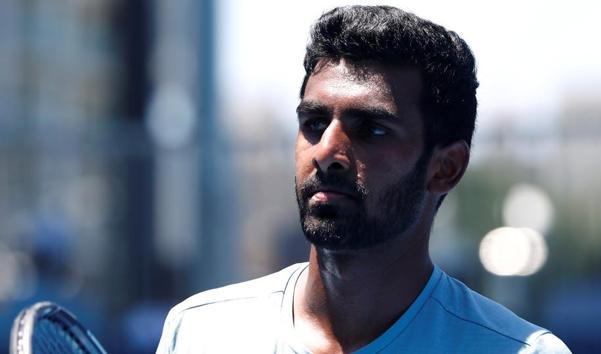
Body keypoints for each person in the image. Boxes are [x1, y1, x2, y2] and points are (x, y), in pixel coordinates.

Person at [157, 5, 571, 353]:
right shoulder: (201, 333)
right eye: (314, 123)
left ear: (445, 168)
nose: (326, 153)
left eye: (371, 130)